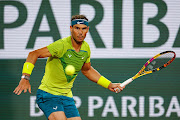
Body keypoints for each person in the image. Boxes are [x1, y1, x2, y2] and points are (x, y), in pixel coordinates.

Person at [13, 15, 125, 120]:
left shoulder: (86, 49)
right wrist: (25, 78)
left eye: (83, 28)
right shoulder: (61, 45)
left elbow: (87, 70)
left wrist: (108, 84)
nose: (80, 32)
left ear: (88, 30)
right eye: (77, 28)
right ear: (71, 28)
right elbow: (33, 54)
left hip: (66, 97)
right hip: (48, 95)